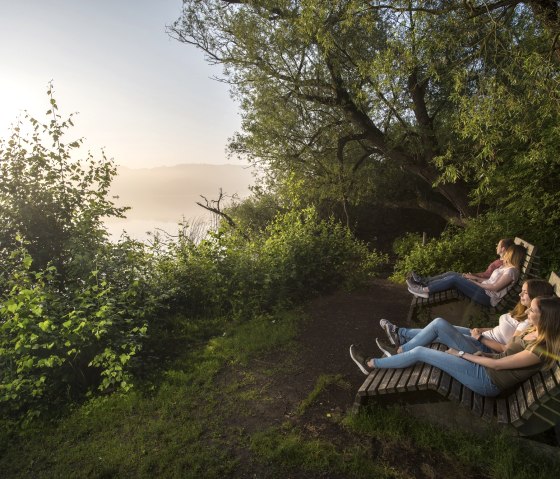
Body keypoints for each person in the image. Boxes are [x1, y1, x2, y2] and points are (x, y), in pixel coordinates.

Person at [350, 296, 560, 397]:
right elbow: (503, 354)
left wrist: (461, 353)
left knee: (422, 351)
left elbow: (499, 366)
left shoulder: (540, 349)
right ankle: (396, 351)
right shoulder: (529, 331)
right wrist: (477, 349)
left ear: (547, 319)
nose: (527, 311)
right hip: (485, 364)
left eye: (532, 310)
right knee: (436, 336)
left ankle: (371, 364)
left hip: (487, 380)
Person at [378, 278, 555, 356]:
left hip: (485, 348)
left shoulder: (528, 323)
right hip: (484, 336)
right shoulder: (523, 311)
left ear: (536, 296)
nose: (520, 295)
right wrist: (482, 330)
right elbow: (500, 331)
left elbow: (505, 350)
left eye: (524, 293)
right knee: (442, 328)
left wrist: (480, 338)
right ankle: (399, 333)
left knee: (440, 326)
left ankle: (400, 350)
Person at [407, 243, 526, 307]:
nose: (506, 255)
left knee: (454, 278)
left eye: (508, 253)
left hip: (487, 297)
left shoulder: (512, 271)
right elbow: (490, 281)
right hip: (483, 290)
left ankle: (424, 289)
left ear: (512, 254)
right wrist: (474, 278)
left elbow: (495, 287)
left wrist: (473, 281)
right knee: (455, 276)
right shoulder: (506, 267)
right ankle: (424, 287)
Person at [409, 238, 514, 287]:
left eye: (498, 245)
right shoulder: (500, 262)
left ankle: (425, 284)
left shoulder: (501, 264)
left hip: (480, 282)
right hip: (478, 279)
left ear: (503, 249)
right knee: (450, 273)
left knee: (451, 276)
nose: (496, 247)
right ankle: (424, 281)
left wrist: (473, 276)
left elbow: (489, 277)